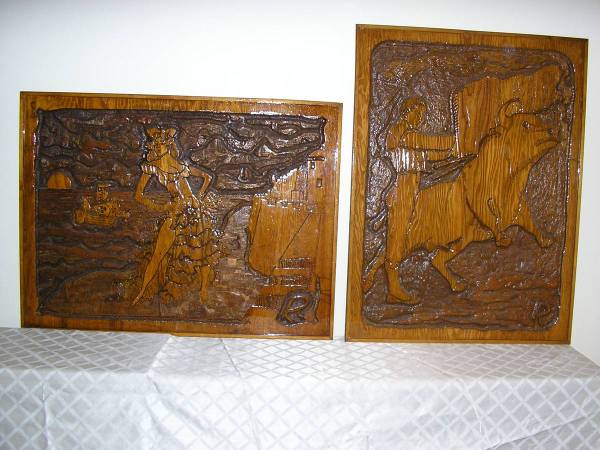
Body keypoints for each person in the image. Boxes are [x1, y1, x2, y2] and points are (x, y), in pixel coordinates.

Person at [131, 127, 221, 305]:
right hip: (177, 213)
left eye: (160, 144)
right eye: (155, 145)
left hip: (195, 212)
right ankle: (140, 292)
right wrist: (160, 206)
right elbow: (138, 195)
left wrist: (199, 197)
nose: (156, 147)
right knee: (158, 253)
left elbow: (207, 177)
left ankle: (204, 292)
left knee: (203, 253)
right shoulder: (153, 168)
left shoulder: (181, 166)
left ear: (168, 146)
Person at [383, 98, 456, 303]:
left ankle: (393, 286)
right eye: (419, 113)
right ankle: (393, 289)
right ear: (408, 111)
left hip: (411, 190)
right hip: (402, 191)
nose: (421, 118)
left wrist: (453, 152)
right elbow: (425, 142)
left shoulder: (410, 139)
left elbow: (429, 154)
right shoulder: (400, 132)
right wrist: (456, 140)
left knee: (407, 235)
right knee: (397, 238)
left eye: (423, 115)